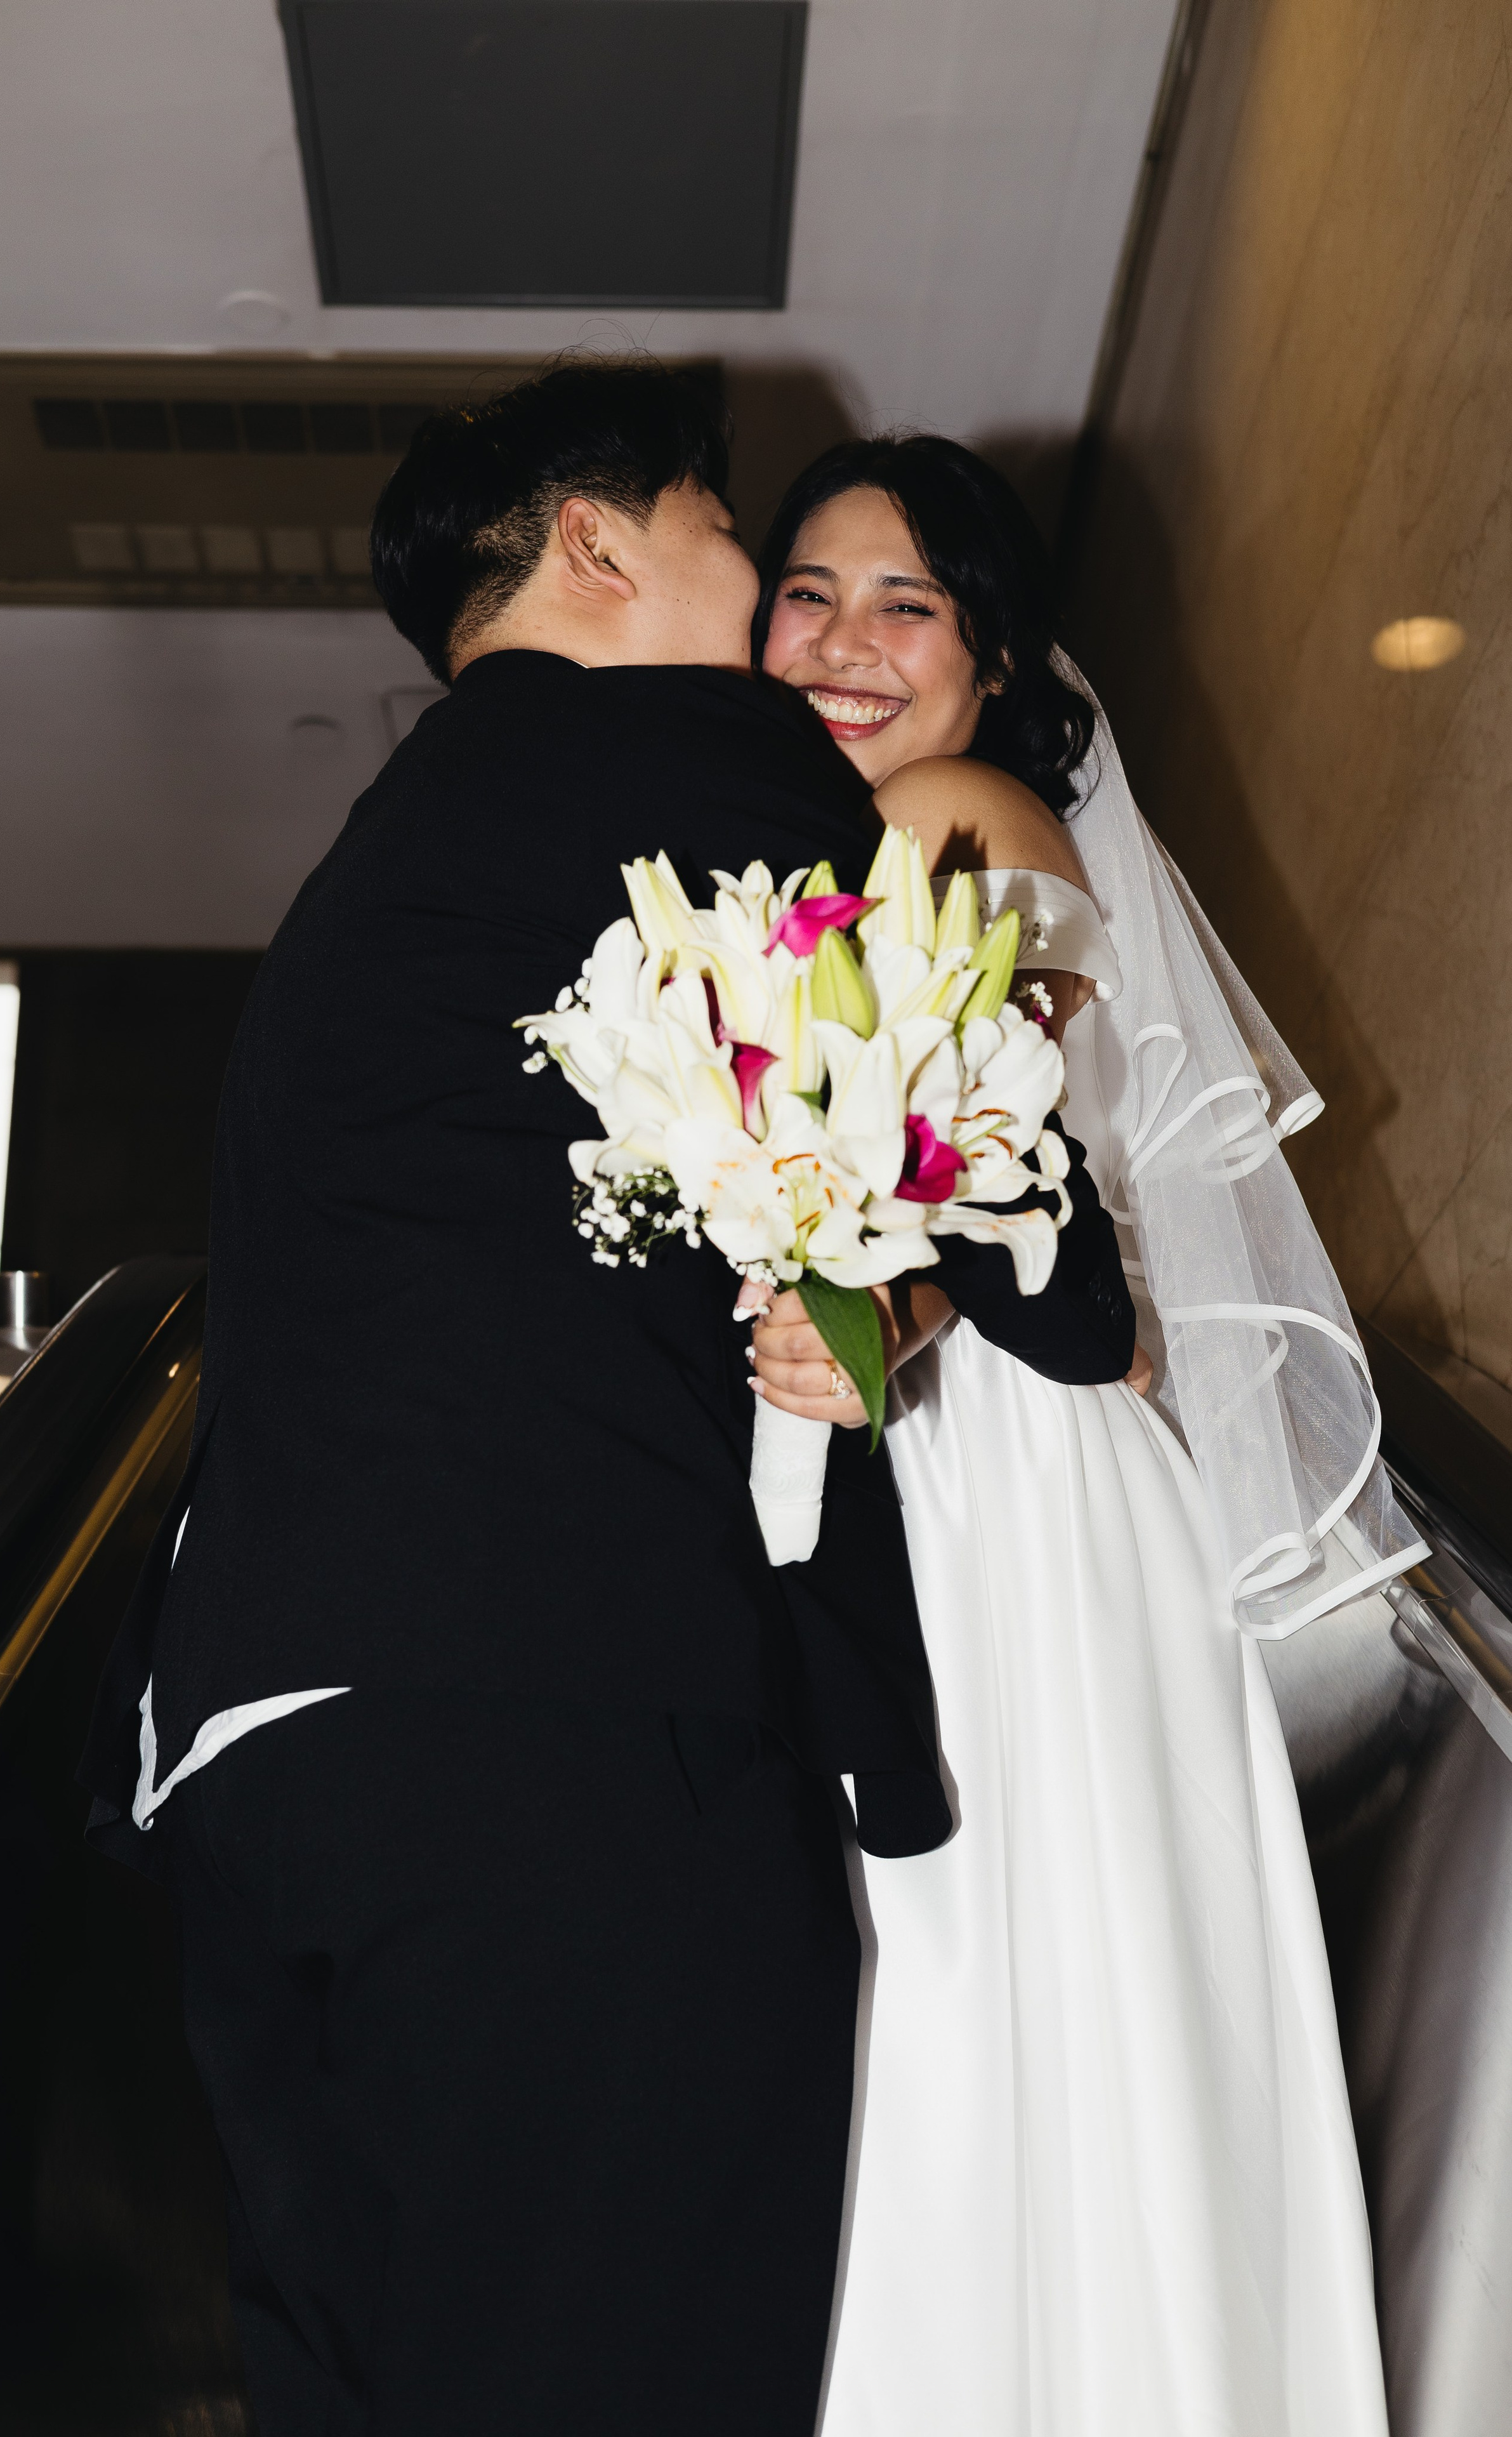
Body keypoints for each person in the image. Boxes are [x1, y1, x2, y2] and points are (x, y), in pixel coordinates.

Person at [79, 366, 1136, 2437]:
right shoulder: (689, 756)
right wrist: (952, 1278)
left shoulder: (382, 872)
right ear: (598, 545)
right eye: (740, 543)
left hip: (253, 1772)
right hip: (544, 1744)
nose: (768, 618)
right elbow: (1059, 1272)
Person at [749, 435, 1423, 2436]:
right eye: (807, 592)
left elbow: (986, 1169)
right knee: (969, 2010)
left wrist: (895, 1309)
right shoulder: (791, 856)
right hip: (902, 1442)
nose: (844, 643)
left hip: (1001, 1477)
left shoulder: (964, 817)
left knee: (977, 1994)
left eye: (907, 606)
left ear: (995, 655)